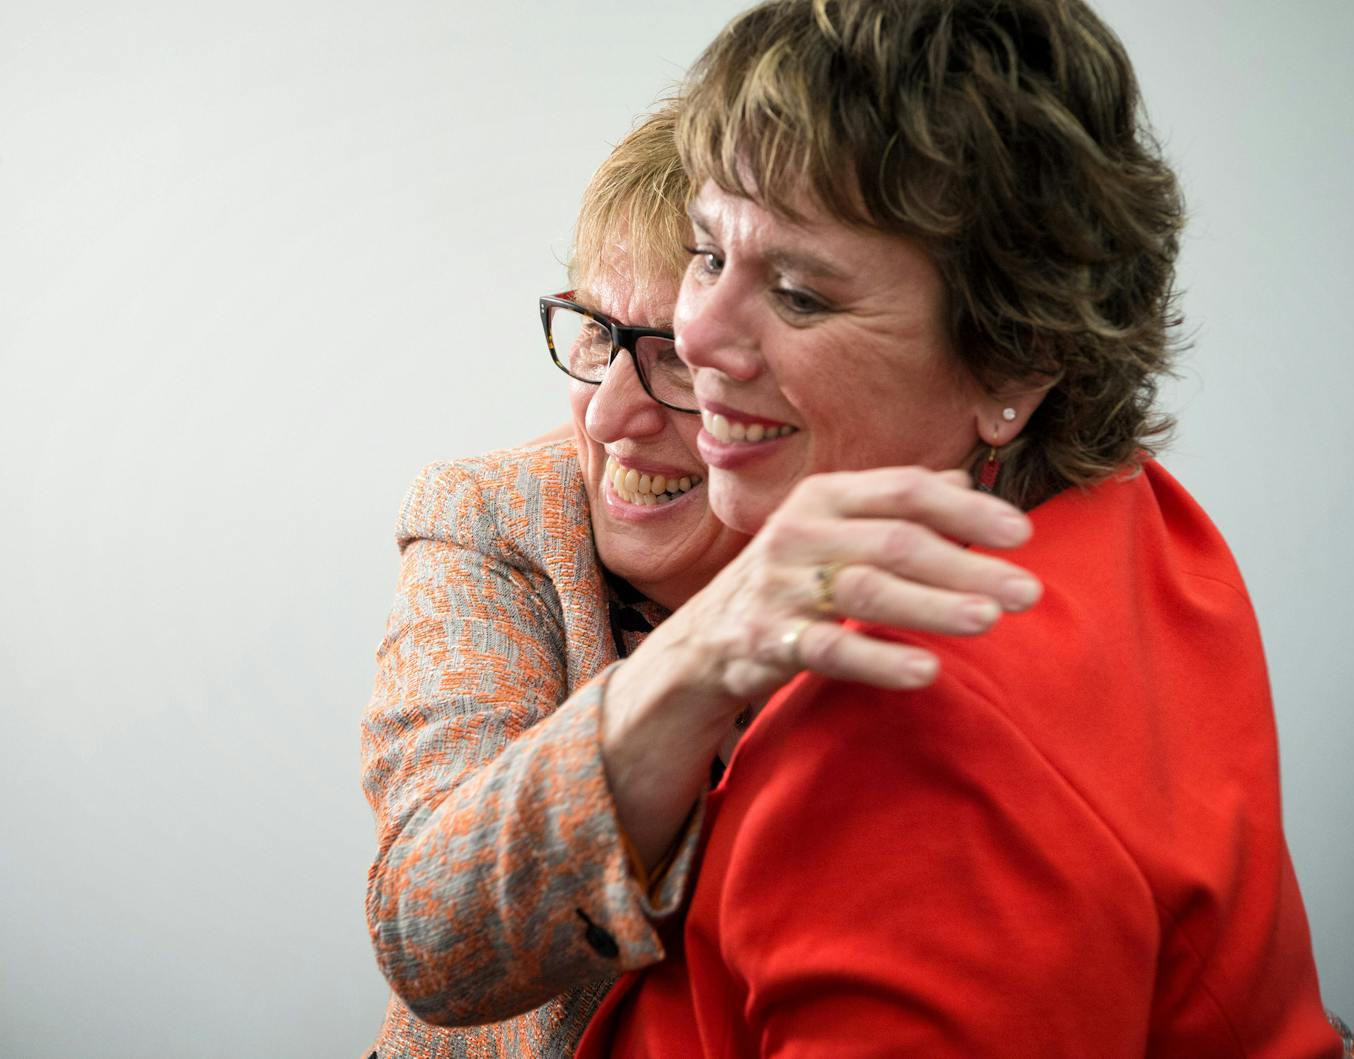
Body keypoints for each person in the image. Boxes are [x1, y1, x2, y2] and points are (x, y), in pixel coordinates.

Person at [572, 1, 1347, 1055]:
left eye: (798, 295)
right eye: (707, 252)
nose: (695, 330)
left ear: (1011, 363)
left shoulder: (905, 743)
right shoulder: (1133, 514)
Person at [360, 105, 1042, 1058]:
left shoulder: (946, 542)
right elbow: (431, 932)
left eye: (677, 355)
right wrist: (703, 652)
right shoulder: (497, 518)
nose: (609, 418)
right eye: (594, 334)